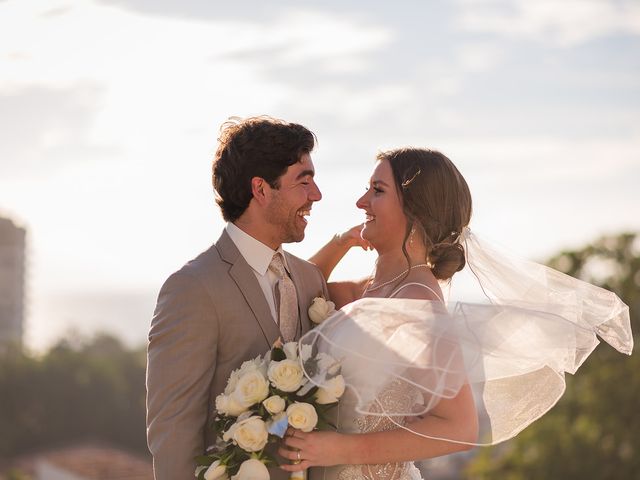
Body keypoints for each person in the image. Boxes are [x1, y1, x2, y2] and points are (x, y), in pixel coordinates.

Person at [279, 147, 633, 480]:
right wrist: (341, 241)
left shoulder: (417, 300)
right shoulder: (366, 289)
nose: (361, 201)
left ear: (415, 211)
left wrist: (340, 449)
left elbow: (460, 428)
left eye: (377, 190)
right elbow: (296, 290)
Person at [146, 116, 329, 480]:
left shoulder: (310, 279)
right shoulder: (193, 288)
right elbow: (173, 432)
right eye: (303, 181)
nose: (317, 195)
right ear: (261, 189)